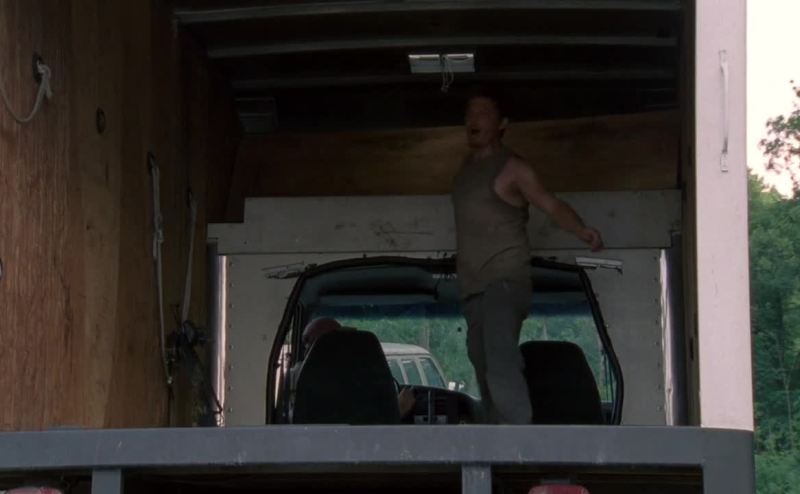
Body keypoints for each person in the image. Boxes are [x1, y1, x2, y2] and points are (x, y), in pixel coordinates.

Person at [452, 91, 603, 424]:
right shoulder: (465, 169)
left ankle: (517, 436)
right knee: (479, 356)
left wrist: (581, 229)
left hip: (505, 279)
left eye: (483, 113)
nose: (473, 120)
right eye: (469, 113)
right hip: (473, 286)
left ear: (502, 123)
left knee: (499, 353)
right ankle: (496, 432)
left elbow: (550, 204)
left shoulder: (513, 168)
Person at [290, 317, 416, 418]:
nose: (307, 349)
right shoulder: (366, 381)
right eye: (307, 343)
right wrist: (399, 408)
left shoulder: (296, 379)